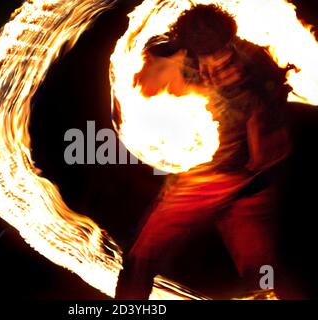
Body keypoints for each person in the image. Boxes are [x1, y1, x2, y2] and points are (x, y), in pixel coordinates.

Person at [115, 4, 293, 299]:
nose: (216, 75)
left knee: (263, 275)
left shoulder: (259, 68)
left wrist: (262, 127)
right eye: (207, 66)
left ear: (232, 46)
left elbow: (271, 151)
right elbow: (149, 88)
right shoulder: (177, 61)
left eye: (224, 65)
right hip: (200, 180)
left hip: (249, 183)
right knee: (140, 259)